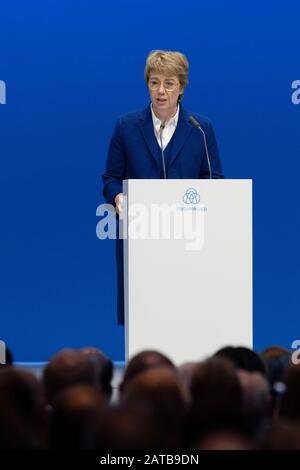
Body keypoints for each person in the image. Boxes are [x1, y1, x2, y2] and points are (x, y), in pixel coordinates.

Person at [102, 50, 223, 325]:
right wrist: (118, 196)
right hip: (141, 234)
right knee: (144, 315)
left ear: (181, 87)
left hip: (189, 236)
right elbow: (110, 178)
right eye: (154, 82)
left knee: (185, 312)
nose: (161, 90)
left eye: (169, 83)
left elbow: (214, 179)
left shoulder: (200, 128)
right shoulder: (127, 126)